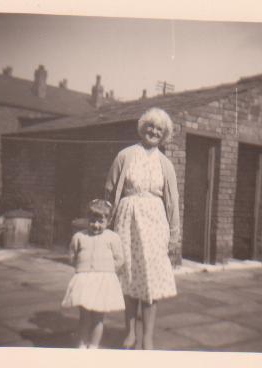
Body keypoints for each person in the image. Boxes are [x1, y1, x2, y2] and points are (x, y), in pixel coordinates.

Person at [105, 107, 180, 350]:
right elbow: (109, 190)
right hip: (127, 222)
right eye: (150, 126)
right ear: (142, 127)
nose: (154, 131)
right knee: (129, 277)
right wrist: (105, 225)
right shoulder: (125, 156)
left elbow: (173, 200)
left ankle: (147, 336)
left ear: (164, 134)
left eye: (159, 129)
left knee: (151, 280)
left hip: (155, 224)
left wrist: (174, 233)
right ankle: (130, 333)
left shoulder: (166, 164)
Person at [62, 199, 125, 349]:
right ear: (87, 219)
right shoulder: (79, 237)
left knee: (98, 317)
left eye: (100, 221)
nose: (95, 225)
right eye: (92, 221)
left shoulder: (112, 238)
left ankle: (94, 346)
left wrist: (108, 271)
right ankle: (82, 344)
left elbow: (119, 259)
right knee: (84, 317)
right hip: (84, 280)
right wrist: (80, 267)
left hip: (103, 281)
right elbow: (72, 255)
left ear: (108, 221)